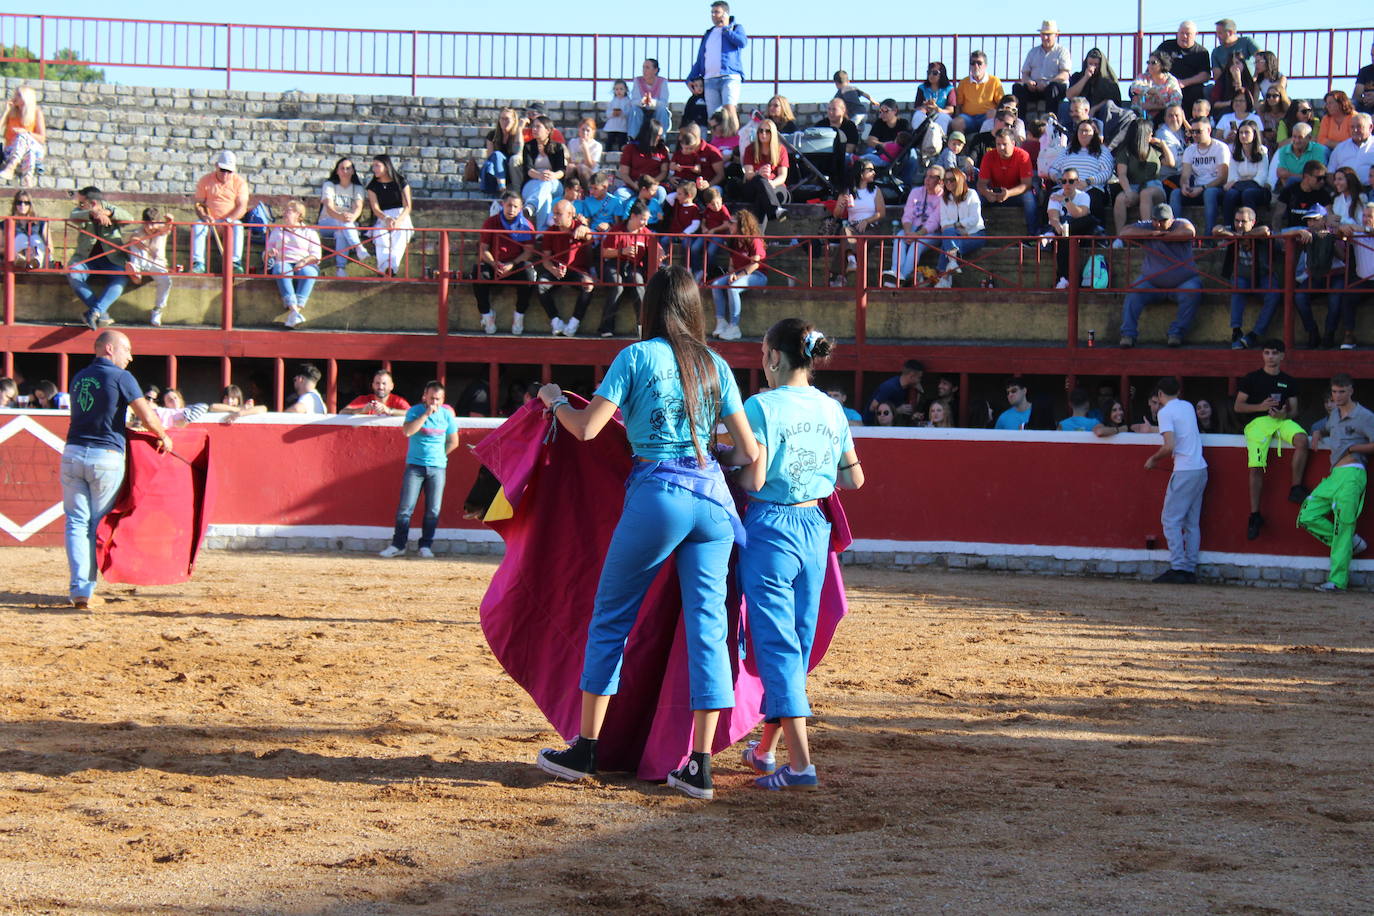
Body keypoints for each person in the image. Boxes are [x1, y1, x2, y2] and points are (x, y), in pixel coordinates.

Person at [534, 265, 760, 800]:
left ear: (650, 308)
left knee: (612, 618)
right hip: (712, 502)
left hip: (658, 496)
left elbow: (589, 430)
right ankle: (699, 765)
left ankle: (587, 748)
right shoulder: (715, 363)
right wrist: (709, 450)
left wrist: (555, 401)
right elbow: (748, 452)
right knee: (709, 631)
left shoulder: (635, 357)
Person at [736, 319, 862, 790]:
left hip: (771, 527)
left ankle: (802, 766)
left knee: (776, 644)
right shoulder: (831, 409)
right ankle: (766, 751)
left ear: (772, 356)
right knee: (796, 642)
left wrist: (724, 460)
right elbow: (855, 480)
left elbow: (754, 480)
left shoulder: (762, 405)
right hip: (815, 530)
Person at [62, 330, 174, 609]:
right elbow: (146, 414)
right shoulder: (121, 377)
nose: (131, 357)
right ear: (110, 349)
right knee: (98, 523)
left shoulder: (79, 377)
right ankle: (88, 588)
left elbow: (93, 416)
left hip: (73, 453)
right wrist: (163, 434)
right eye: (127, 350)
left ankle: (80, 589)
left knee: (77, 523)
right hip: (105, 458)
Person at [1302, 374, 1374, 591]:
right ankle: (1350, 542)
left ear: (1351, 391)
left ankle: (1337, 581)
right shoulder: (1333, 415)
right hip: (1334, 476)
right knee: (1307, 514)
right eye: (1334, 392)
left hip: (1353, 473)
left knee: (1344, 525)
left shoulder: (1365, 416)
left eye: (1342, 391)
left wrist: (1353, 449)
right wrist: (1315, 433)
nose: (1337, 396)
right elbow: (1321, 426)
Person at [1234, 339, 1310, 541]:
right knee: (1256, 466)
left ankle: (1295, 488)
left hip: (1280, 421)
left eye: (1274, 353)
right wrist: (1261, 406)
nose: (1270, 357)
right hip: (1258, 423)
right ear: (1262, 355)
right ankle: (1255, 515)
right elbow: (1238, 406)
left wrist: (1285, 414)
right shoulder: (1251, 378)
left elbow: (1294, 410)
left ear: (1282, 356)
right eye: (1267, 352)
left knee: (1303, 440)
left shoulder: (1289, 380)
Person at [378, 381, 459, 560]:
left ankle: (425, 545)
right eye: (431, 398)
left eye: (437, 399)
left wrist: (440, 456)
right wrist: (425, 415)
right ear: (425, 396)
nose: (434, 402)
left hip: (437, 467)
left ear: (443, 399)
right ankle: (398, 545)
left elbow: (454, 441)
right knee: (405, 508)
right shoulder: (415, 411)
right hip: (415, 466)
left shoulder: (446, 416)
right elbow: (407, 431)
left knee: (433, 510)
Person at [1144, 376, 1207, 584]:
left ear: (1160, 395)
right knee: (1192, 523)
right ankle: (1189, 569)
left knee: (1170, 520)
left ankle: (1178, 566)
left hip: (1184, 470)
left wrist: (1153, 459)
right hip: (1200, 468)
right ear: (1179, 392)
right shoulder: (1188, 406)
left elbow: (1169, 445)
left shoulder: (1165, 412)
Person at [1118, 203, 1201, 348]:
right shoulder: (1149, 226)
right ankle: (1128, 334)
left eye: (1163, 220)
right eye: (1155, 220)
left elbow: (1189, 232)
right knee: (1134, 292)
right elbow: (1124, 232)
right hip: (1151, 282)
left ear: (1172, 219)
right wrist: (1150, 234)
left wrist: (1165, 236)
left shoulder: (1182, 222)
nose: (1158, 223)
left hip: (1184, 281)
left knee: (1192, 292)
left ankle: (1176, 333)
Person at [472, 190, 538, 336]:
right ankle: (487, 315)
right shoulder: (491, 222)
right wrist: (495, 263)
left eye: (515, 206)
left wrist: (512, 264)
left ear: (520, 208)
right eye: (509, 205)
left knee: (529, 275)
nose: (511, 210)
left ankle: (519, 316)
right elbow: (484, 249)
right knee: (478, 272)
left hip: (515, 266)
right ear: (503, 205)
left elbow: (528, 252)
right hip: (495, 265)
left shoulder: (526, 225)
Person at [66, 187, 130, 330]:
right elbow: (74, 215)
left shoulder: (111, 208)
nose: (79, 205)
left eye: (82, 203)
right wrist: (93, 213)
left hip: (111, 259)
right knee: (72, 273)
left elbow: (129, 218)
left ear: (92, 202)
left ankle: (94, 312)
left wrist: (108, 213)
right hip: (86, 259)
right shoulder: (82, 211)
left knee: (121, 278)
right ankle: (100, 313)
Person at [1216, 207, 1280, 349]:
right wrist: (1235, 235)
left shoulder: (1259, 232)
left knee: (1274, 295)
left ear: (1253, 222)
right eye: (1236, 221)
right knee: (1238, 287)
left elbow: (1265, 230)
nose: (1239, 225)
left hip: (1263, 277)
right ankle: (1236, 331)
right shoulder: (1234, 231)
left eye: (1243, 221)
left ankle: (1254, 334)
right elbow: (1216, 229)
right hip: (1242, 277)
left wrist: (1246, 236)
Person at [534, 198, 596, 337]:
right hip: (557, 270)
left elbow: (592, 239)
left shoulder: (579, 227)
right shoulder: (551, 231)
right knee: (541, 285)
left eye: (559, 214)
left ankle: (574, 322)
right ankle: (556, 321)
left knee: (589, 286)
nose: (554, 217)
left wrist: (585, 227)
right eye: (554, 213)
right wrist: (553, 270)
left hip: (577, 270)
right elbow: (546, 259)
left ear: (570, 214)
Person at [598, 201, 656, 338]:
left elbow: (656, 250)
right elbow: (604, 252)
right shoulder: (617, 229)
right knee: (617, 287)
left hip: (634, 267)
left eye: (647, 220)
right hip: (614, 264)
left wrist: (659, 256)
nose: (645, 223)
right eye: (643, 219)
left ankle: (643, 328)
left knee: (639, 285)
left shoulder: (646, 233)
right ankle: (606, 327)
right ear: (633, 216)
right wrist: (622, 251)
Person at [687, 1, 747, 127]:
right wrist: (690, 78)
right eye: (712, 12)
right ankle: (717, 142)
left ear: (725, 14)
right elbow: (701, 58)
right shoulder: (709, 33)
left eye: (717, 12)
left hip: (729, 76)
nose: (714, 15)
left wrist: (726, 30)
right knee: (713, 115)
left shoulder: (736, 28)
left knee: (729, 109)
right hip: (710, 79)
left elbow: (742, 42)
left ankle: (734, 142)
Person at [709, 209, 766, 341]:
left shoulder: (754, 240)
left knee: (734, 287)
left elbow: (755, 264)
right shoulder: (733, 241)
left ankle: (734, 326)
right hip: (739, 274)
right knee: (716, 285)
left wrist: (738, 276)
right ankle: (721, 321)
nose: (729, 225)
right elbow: (731, 264)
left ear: (742, 225)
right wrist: (731, 274)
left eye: (732, 223)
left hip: (757, 275)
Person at [265, 200, 322, 330]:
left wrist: (303, 261)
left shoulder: (309, 232)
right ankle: (294, 310)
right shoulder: (277, 230)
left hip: (304, 262)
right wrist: (270, 252)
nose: (284, 213)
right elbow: (267, 251)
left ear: (298, 214)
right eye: (284, 211)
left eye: (288, 211)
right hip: (283, 261)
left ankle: (295, 312)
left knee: (309, 273)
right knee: (280, 269)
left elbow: (316, 254)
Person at [885, 165, 945, 287]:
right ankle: (895, 272)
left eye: (932, 177)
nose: (927, 180)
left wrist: (916, 235)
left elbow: (934, 221)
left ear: (940, 181)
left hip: (931, 233)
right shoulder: (916, 192)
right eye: (926, 176)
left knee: (917, 244)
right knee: (899, 237)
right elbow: (907, 214)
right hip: (911, 229)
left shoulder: (943, 197)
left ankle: (903, 277)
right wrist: (908, 232)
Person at [190, 150, 249, 274]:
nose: (225, 174)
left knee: (238, 226)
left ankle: (235, 263)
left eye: (229, 171)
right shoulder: (205, 180)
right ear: (217, 166)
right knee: (198, 225)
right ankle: (198, 263)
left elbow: (242, 207)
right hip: (210, 222)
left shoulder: (240, 183)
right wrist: (204, 216)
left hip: (229, 223)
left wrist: (228, 220)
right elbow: (198, 204)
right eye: (223, 170)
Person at [1170, 118, 1231, 237]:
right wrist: (1185, 185)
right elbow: (1185, 175)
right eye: (1192, 131)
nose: (1195, 135)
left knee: (1210, 193)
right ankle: (1177, 233)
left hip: (1216, 189)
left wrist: (1202, 188)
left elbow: (1223, 178)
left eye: (1198, 131)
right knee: (1175, 193)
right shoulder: (1190, 150)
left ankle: (1208, 237)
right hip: (1198, 188)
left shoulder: (1220, 147)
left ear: (1208, 130)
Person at [828, 160, 884, 287]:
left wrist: (866, 221)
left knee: (852, 241)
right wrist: (841, 205)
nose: (873, 172)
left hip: (871, 227)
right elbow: (837, 214)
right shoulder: (848, 191)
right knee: (845, 231)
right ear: (860, 173)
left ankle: (838, 275)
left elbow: (881, 213)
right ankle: (851, 261)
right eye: (870, 170)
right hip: (854, 227)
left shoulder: (875, 190)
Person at [1114, 120, 1174, 234]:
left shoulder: (1155, 150)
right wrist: (1128, 192)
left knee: (1145, 194)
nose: (1152, 134)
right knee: (1120, 199)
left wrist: (1163, 144)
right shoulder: (1125, 151)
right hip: (1133, 187)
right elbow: (1121, 175)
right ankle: (1119, 236)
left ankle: (1148, 232)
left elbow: (1171, 163)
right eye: (1150, 132)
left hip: (1154, 186)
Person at [977, 128, 1038, 236]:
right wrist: (987, 193)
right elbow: (981, 183)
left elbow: (1026, 184)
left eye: (1004, 144)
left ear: (1013, 143)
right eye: (998, 144)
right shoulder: (989, 156)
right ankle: (976, 232)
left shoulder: (1022, 155)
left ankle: (1032, 234)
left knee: (1029, 198)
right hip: (994, 194)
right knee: (976, 198)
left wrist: (1009, 193)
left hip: (1016, 194)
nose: (1001, 147)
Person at [1045, 168, 1095, 289]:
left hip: (1079, 229)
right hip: (1063, 232)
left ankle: (1062, 278)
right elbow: (1053, 216)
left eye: (1071, 181)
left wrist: (1065, 199)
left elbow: (1079, 214)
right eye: (1064, 181)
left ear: (1077, 182)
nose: (1067, 184)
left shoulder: (1084, 196)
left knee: (1088, 220)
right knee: (1064, 237)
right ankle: (1064, 278)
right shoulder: (1054, 195)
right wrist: (1057, 226)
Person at [319, 157, 369, 278]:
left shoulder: (357, 188)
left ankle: (340, 269)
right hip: (327, 223)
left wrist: (351, 217)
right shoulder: (329, 185)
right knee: (343, 224)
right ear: (337, 171)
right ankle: (359, 248)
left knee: (342, 232)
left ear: (353, 171)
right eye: (342, 168)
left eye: (348, 168)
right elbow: (329, 207)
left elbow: (358, 208)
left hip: (347, 225)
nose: (345, 171)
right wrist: (340, 216)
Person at [935, 167, 985, 287]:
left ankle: (945, 277)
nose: (948, 183)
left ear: (960, 180)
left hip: (975, 234)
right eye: (945, 180)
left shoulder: (971, 194)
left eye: (952, 180)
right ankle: (952, 263)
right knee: (948, 234)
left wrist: (956, 225)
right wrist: (957, 229)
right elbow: (943, 222)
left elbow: (975, 219)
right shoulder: (945, 199)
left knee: (946, 244)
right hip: (955, 235)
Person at [125, 207, 174, 327]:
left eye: (153, 224)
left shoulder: (162, 230)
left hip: (158, 263)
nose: (150, 228)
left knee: (166, 281)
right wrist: (144, 246)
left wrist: (170, 220)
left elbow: (167, 228)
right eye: (147, 224)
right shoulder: (140, 230)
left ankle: (157, 310)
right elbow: (133, 237)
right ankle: (135, 271)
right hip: (143, 261)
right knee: (135, 244)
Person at [366, 154, 413, 278]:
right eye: (373, 166)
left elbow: (407, 206)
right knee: (379, 235)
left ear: (386, 166)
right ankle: (383, 268)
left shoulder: (401, 182)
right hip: (383, 216)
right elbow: (375, 208)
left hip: (400, 215)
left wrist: (398, 221)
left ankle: (392, 268)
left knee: (400, 235)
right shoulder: (372, 186)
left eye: (377, 165)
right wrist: (386, 218)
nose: (374, 168)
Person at [1013, 21, 1072, 115]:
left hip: (1054, 87)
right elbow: (1025, 74)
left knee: (1052, 89)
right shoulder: (1033, 52)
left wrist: (1048, 83)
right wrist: (1029, 82)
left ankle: (1050, 121)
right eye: (1043, 34)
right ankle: (1021, 121)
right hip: (1035, 87)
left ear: (1056, 35)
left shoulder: (1062, 52)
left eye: (1048, 35)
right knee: (1017, 87)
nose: (1045, 38)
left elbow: (1064, 74)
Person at [519, 116, 566, 232]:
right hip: (532, 183)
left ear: (548, 130)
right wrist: (539, 176)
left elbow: (562, 170)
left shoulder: (558, 147)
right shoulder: (529, 146)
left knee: (547, 184)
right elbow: (528, 169)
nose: (534, 129)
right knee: (546, 198)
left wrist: (553, 176)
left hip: (554, 183)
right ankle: (541, 232)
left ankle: (531, 207)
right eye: (533, 126)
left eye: (538, 126)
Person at [738, 119, 789, 225]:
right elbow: (748, 175)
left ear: (773, 133)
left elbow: (783, 176)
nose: (763, 134)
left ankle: (757, 238)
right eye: (760, 131)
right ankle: (775, 210)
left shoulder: (781, 149)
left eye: (767, 131)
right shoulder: (750, 149)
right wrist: (758, 173)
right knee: (761, 181)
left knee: (762, 197)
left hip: (776, 187)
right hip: (754, 186)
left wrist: (771, 184)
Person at [1220, 121, 1271, 225]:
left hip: (1259, 190)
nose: (1243, 135)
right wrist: (1245, 179)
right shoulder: (1235, 153)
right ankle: (1228, 227)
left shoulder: (1262, 151)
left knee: (1248, 194)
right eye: (1241, 132)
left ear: (1254, 134)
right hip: (1240, 188)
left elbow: (1261, 178)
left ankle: (1250, 227)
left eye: (1247, 132)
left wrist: (1241, 181)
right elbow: (1232, 178)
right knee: (1230, 194)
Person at [1154, 21, 1212, 111]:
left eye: (1188, 34)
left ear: (1195, 34)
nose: (1184, 36)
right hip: (1166, 85)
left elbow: (1205, 75)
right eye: (1182, 33)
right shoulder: (1166, 46)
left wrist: (1183, 83)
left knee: (1197, 92)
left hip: (1189, 87)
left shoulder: (1201, 52)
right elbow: (1154, 63)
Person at [0, 85, 45, 184]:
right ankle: (28, 179)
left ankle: (11, 167)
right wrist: (6, 111)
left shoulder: (36, 112)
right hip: (11, 150)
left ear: (26, 98)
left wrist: (26, 132)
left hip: (34, 148)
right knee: (29, 150)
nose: (14, 97)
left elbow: (42, 139)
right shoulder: (11, 112)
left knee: (23, 136)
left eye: (18, 95)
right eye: (15, 95)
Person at [813, 97, 860, 192]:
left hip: (842, 157)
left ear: (843, 110)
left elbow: (850, 147)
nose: (830, 112)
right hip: (822, 156)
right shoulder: (820, 125)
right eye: (829, 109)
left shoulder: (850, 126)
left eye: (834, 109)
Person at [954, 50, 1003, 135]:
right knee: (957, 122)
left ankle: (988, 144)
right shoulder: (963, 82)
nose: (975, 66)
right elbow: (958, 105)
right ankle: (959, 146)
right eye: (972, 63)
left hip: (986, 116)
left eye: (979, 63)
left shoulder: (994, 81)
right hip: (968, 118)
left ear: (985, 65)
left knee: (993, 113)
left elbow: (1001, 103)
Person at [626, 58, 672, 145]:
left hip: (656, 110)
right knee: (634, 110)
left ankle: (661, 139)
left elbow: (664, 102)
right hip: (642, 110)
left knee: (662, 110)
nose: (644, 70)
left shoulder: (662, 82)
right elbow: (634, 101)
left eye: (647, 67)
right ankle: (632, 139)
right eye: (643, 67)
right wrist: (642, 102)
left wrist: (652, 102)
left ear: (655, 70)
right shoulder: (637, 81)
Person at [481, 107, 524, 195]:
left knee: (499, 155)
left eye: (507, 119)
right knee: (496, 156)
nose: (504, 122)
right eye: (502, 119)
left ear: (514, 120)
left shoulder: (517, 134)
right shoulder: (492, 135)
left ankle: (501, 187)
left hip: (512, 170)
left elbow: (518, 151)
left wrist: (519, 129)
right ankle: (501, 187)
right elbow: (490, 156)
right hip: (497, 170)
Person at [1271, 122, 1328, 187]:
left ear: (1309, 138)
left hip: (1313, 188)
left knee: (1292, 179)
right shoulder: (1283, 150)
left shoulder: (1320, 150)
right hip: (1291, 188)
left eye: (1300, 137)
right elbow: (1281, 173)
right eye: (1294, 137)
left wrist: (1290, 175)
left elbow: (1317, 177)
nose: (1297, 141)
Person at [1130, 53, 1183, 121]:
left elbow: (1176, 102)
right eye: (1148, 63)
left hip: (1162, 116)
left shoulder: (1170, 81)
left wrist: (1155, 107)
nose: (1149, 65)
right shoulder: (1143, 77)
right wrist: (1154, 91)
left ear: (1162, 64)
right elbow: (1134, 87)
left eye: (1153, 63)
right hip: (1140, 115)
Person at [1066, 48, 1122, 112]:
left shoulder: (1109, 80)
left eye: (1096, 64)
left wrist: (1094, 109)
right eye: (1090, 63)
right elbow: (1070, 95)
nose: (1093, 67)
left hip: (1101, 114)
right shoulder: (1077, 76)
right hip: (1080, 112)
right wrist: (1085, 78)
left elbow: (1112, 101)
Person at [341, 368, 410, 417]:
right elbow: (342, 412)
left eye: (384, 383)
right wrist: (362, 410)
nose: (380, 387)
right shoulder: (363, 399)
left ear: (391, 386)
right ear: (373, 385)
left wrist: (389, 410)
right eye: (377, 383)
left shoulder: (398, 400)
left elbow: (412, 413)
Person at [1210, 19, 1260, 86]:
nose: (1217, 36)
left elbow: (1262, 58)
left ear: (1230, 32)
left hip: (1248, 83)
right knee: (1208, 89)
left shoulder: (1247, 42)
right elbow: (1217, 76)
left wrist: (1255, 77)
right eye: (1217, 33)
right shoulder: (1216, 51)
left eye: (1220, 33)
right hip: (1228, 87)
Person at [5, 190, 47, 268]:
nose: (22, 205)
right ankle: (22, 260)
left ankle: (35, 262)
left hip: (37, 253)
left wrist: (33, 250)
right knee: (21, 237)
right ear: (15, 205)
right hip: (16, 255)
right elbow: (1, 247)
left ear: (30, 205)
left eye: (26, 203)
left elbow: (50, 246)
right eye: (19, 202)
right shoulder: (7, 222)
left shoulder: (40, 222)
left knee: (35, 238)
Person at [1327, 113, 1374, 180]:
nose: (1355, 130)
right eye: (1352, 127)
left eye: (1359, 126)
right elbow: (1330, 173)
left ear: (1370, 127)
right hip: (1345, 189)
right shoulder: (1340, 148)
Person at [913, 62, 956, 134]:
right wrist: (925, 107)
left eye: (935, 73)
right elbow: (917, 108)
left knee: (942, 117)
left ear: (942, 74)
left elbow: (950, 110)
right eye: (929, 72)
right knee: (918, 115)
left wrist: (938, 109)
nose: (931, 75)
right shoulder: (922, 88)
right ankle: (918, 139)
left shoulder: (949, 89)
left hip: (941, 114)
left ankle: (940, 141)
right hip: (926, 115)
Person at [567, 117, 604, 188]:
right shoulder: (572, 142)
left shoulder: (597, 145)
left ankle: (587, 192)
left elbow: (591, 165)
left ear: (593, 131)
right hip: (576, 169)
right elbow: (570, 161)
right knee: (570, 167)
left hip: (590, 173)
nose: (585, 133)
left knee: (581, 168)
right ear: (579, 130)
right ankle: (568, 190)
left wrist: (585, 149)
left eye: (588, 130)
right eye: (583, 130)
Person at [603, 81, 631, 151]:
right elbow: (607, 113)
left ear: (626, 90)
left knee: (622, 143)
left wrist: (622, 113)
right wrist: (613, 113)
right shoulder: (613, 101)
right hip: (612, 127)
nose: (619, 91)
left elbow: (629, 113)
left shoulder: (628, 101)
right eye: (617, 89)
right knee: (609, 142)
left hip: (623, 127)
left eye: (621, 89)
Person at [1355, 39, 1374, 115]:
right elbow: (1357, 94)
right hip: (1366, 105)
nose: (1373, 58)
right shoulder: (1364, 71)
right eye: (1372, 55)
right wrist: (1364, 100)